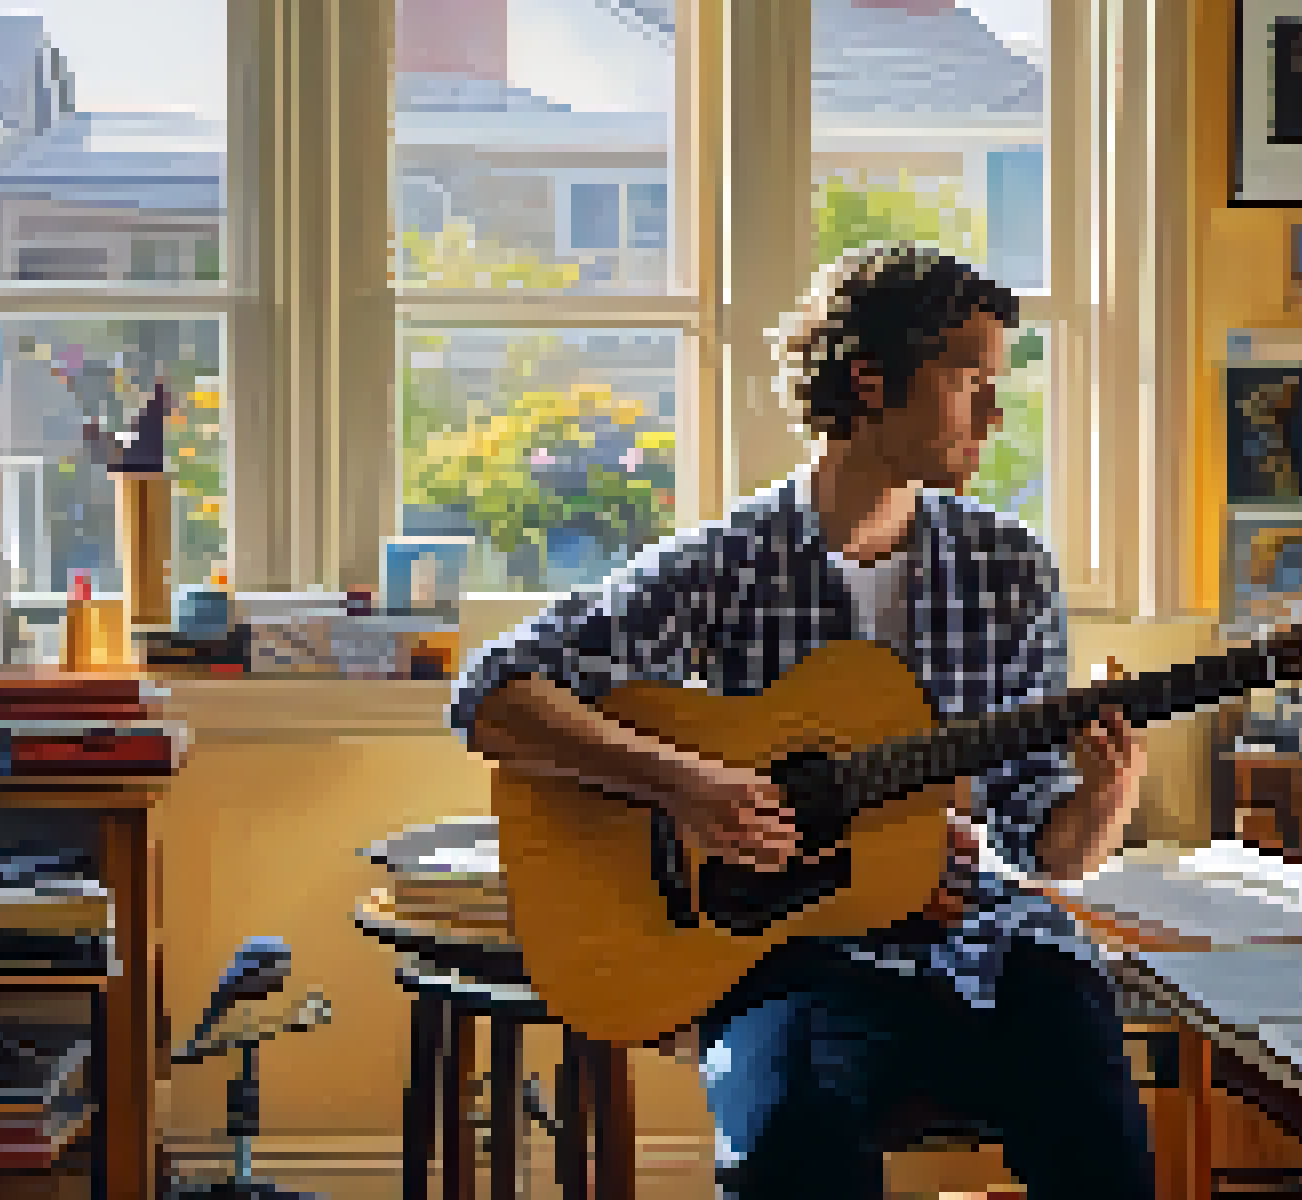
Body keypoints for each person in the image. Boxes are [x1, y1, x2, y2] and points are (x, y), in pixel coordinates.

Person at [445, 243, 1159, 1200]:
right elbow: (492, 693)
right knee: (787, 1143)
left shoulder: (1011, 571)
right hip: (789, 955)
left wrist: (1107, 797)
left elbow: (1046, 845)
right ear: (870, 380)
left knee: (1097, 1112)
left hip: (982, 943)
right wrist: (685, 785)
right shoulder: (731, 562)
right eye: (968, 380)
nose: (995, 412)